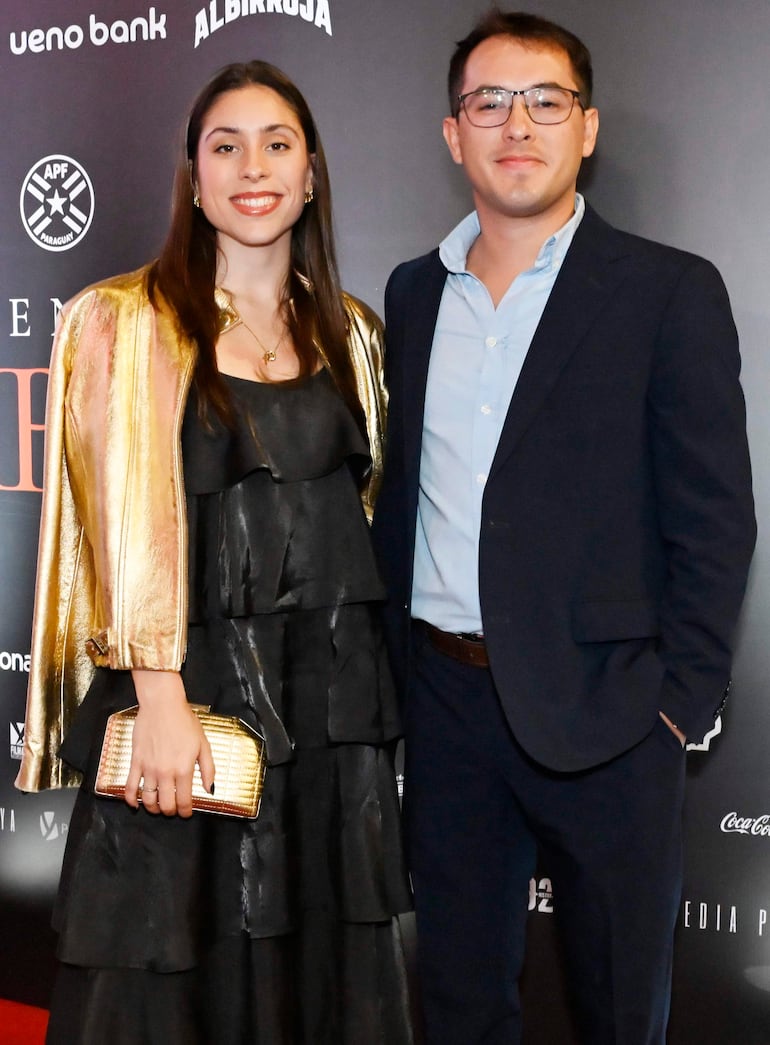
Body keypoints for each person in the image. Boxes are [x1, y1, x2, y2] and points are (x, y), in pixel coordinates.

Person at [371, 10, 755, 1044]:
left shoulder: (667, 291)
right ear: (453, 134)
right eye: (487, 103)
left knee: (618, 1006)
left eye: (544, 101)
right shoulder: (411, 295)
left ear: (585, 127)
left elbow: (714, 513)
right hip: (446, 705)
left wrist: (677, 701)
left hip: (610, 715)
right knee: (456, 998)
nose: (516, 125)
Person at [16, 60, 413, 1045]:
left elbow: (352, 517)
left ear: (311, 173)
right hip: (183, 699)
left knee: (316, 948)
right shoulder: (124, 318)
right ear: (192, 176)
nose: (252, 166)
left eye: (276, 143)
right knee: (168, 954)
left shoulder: (351, 332)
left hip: (326, 708)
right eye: (224, 145)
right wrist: (157, 698)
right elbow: (115, 520)